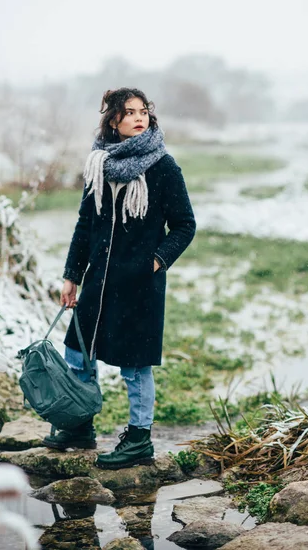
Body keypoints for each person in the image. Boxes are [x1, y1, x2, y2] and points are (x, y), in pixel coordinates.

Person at [42, 87, 196, 470]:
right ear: (114, 119)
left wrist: (155, 263)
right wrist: (72, 275)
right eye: (129, 112)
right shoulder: (98, 165)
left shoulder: (163, 166)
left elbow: (184, 225)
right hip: (98, 280)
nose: (139, 117)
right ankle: (79, 425)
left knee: (135, 364)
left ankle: (139, 438)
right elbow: (85, 224)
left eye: (143, 111)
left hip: (140, 285)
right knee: (77, 352)